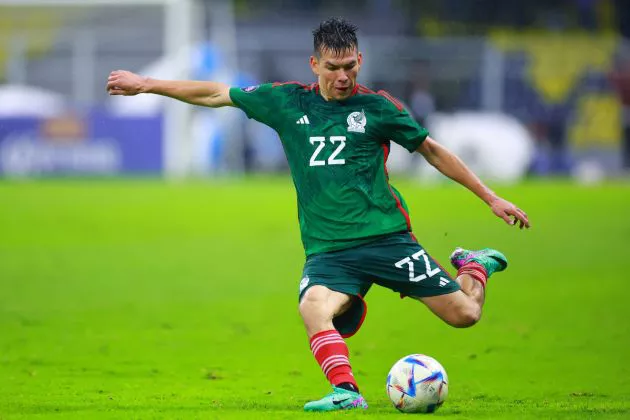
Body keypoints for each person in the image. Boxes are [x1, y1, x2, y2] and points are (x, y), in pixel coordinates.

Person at [107, 17, 530, 412]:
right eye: (332, 67)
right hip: (329, 252)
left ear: (360, 60)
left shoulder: (380, 108)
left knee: (465, 316)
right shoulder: (286, 102)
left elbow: (433, 152)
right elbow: (218, 93)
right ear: (314, 64)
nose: (343, 76)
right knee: (312, 306)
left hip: (387, 239)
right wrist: (146, 84)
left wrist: (490, 198)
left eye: (349, 66)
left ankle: (473, 266)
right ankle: (346, 393)